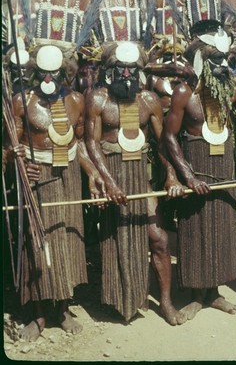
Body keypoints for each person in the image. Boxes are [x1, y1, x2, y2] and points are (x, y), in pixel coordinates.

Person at [162, 22, 236, 320]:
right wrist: (187, 175)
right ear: (201, 59)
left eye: (224, 60)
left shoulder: (232, 90)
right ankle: (195, 295)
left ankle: (214, 293)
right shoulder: (183, 93)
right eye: (214, 59)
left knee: (221, 228)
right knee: (195, 230)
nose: (221, 66)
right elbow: (168, 136)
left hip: (224, 167)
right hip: (195, 165)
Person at [84, 40, 187, 326]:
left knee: (159, 239)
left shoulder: (149, 101)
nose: (126, 74)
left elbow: (162, 142)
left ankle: (165, 301)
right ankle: (123, 298)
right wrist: (109, 181)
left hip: (141, 175)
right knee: (117, 238)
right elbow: (92, 144)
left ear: (139, 71)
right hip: (111, 173)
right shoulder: (98, 99)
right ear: (110, 70)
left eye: (132, 69)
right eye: (121, 68)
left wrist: (171, 173)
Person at [11, 43, 105, 341]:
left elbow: (78, 147)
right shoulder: (20, 102)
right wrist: (22, 167)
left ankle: (63, 308)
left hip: (68, 177)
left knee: (67, 238)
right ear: (34, 72)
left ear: (64, 72)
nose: (48, 78)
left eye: (54, 72)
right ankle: (38, 314)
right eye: (42, 72)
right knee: (37, 242)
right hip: (36, 178)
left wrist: (92, 175)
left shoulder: (77, 100)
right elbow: (7, 149)